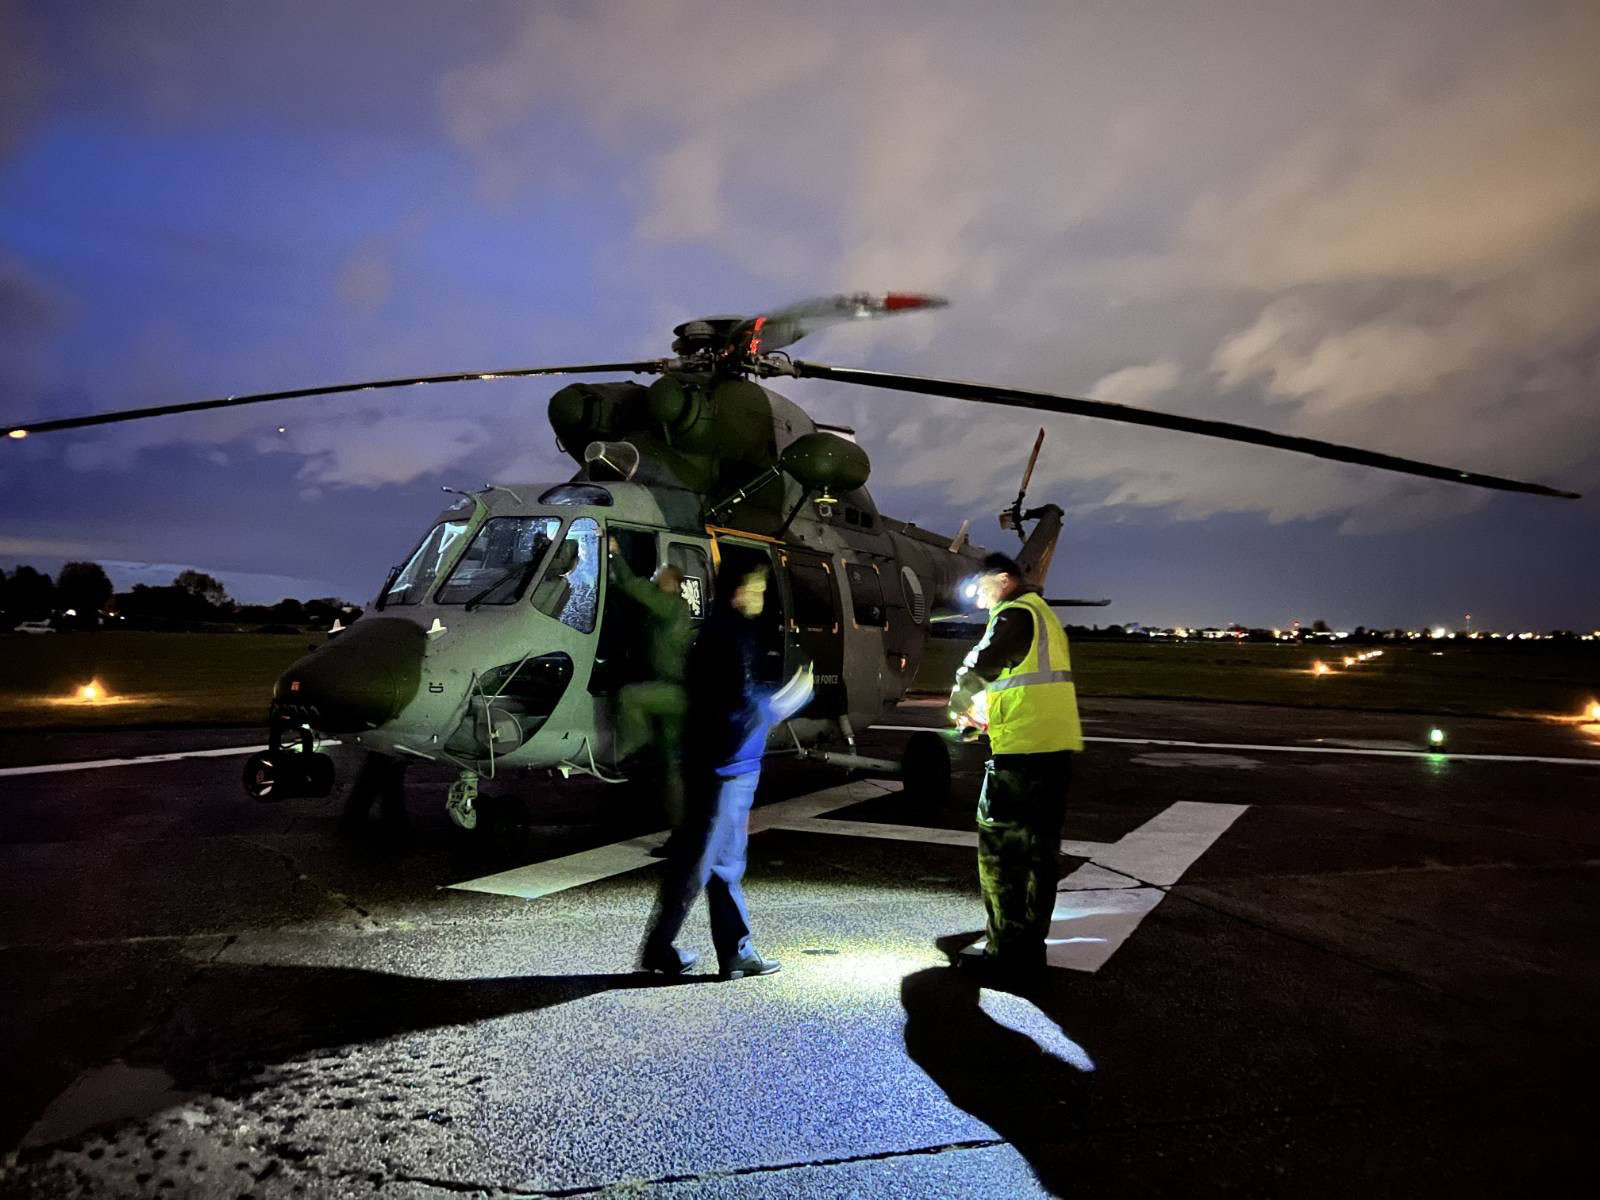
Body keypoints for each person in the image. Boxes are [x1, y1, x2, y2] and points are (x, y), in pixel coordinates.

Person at [640, 559, 813, 979]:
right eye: (755, 589)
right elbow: (735, 705)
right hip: (724, 767)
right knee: (699, 861)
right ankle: (663, 949)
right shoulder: (728, 638)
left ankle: (735, 952)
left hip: (725, 765)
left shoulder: (724, 633)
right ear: (737, 591)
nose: (760, 597)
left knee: (721, 863)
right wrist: (786, 702)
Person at [948, 551, 1083, 980]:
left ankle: (1004, 956)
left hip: (1021, 756)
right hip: (1054, 751)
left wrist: (959, 702)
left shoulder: (1014, 613)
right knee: (1040, 858)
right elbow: (1021, 682)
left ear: (1003, 580)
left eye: (981, 588)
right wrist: (987, 714)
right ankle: (1029, 953)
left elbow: (983, 665)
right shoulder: (1043, 616)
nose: (978, 599)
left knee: (1003, 856)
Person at [606, 538, 692, 848]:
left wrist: (615, 552)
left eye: (660, 575)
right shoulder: (666, 610)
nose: (654, 577)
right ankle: (681, 834)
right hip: (674, 695)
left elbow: (631, 584)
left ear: (672, 583)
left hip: (678, 694)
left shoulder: (670, 606)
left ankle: (634, 749)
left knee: (630, 697)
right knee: (673, 768)